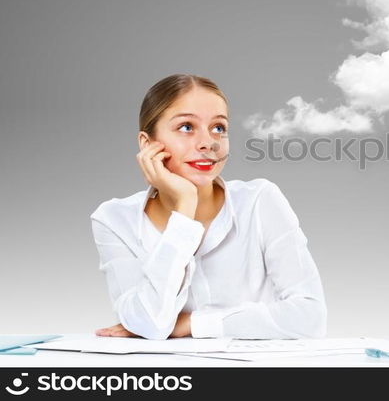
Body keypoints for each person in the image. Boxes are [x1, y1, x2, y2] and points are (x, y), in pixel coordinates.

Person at [90, 74, 327, 340]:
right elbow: (147, 324)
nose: (208, 143)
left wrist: (191, 324)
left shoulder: (260, 200)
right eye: (187, 127)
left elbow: (310, 317)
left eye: (218, 128)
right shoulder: (113, 219)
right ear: (148, 144)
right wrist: (185, 205)